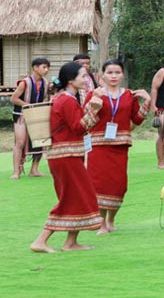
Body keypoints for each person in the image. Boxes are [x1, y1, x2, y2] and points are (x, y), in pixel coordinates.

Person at [30, 62, 103, 252]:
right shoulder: (66, 100)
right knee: (70, 197)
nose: (86, 79)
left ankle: (71, 242)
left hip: (68, 155)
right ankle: (40, 240)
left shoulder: (67, 98)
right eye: (82, 76)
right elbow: (78, 127)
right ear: (71, 80)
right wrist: (93, 109)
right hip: (65, 156)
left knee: (77, 196)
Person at [86, 59, 152, 234]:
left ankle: (111, 219)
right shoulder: (95, 93)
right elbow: (85, 120)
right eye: (109, 72)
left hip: (120, 147)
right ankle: (100, 223)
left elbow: (136, 120)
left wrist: (147, 101)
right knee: (98, 184)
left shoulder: (129, 95)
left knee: (118, 184)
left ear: (123, 74)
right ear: (102, 75)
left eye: (117, 72)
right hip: (98, 147)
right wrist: (94, 103)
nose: (113, 76)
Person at [10, 57, 50, 179]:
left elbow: (44, 98)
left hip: (37, 114)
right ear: (35, 68)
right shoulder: (25, 83)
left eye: (47, 67)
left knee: (39, 141)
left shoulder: (46, 83)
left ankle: (34, 169)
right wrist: (28, 106)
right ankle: (16, 172)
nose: (46, 70)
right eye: (44, 67)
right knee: (20, 142)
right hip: (21, 115)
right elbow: (13, 98)